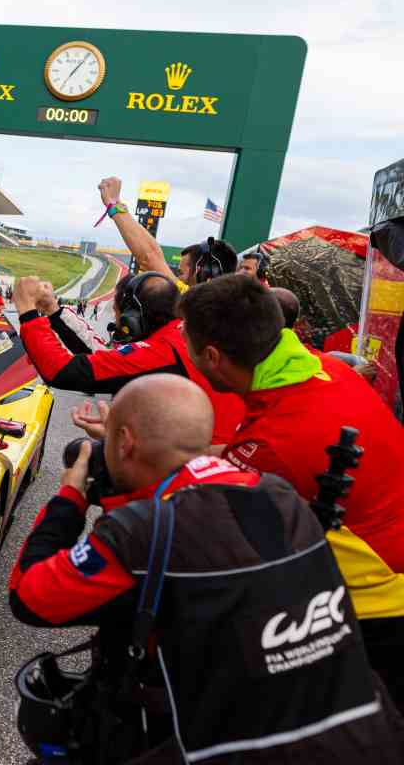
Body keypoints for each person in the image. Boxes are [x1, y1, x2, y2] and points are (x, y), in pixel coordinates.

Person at [11, 373, 404, 762]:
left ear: (125, 442)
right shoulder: (279, 496)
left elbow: (29, 597)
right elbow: (191, 521)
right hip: (367, 735)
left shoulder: (141, 535)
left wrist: (69, 498)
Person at [179, 274, 404, 703]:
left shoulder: (274, 443)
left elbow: (205, 520)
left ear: (212, 356)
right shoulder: (329, 370)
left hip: (376, 614)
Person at [13, 272, 246, 446]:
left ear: (132, 317)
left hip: (203, 475)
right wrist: (52, 310)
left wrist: (27, 311)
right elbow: (103, 358)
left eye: (117, 310)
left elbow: (63, 372)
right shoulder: (183, 333)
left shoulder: (161, 351)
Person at [98, 176, 237, 292]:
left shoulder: (198, 305)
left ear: (205, 272)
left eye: (181, 274)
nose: (179, 279)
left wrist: (113, 205)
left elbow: (149, 258)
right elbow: (154, 253)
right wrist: (117, 203)